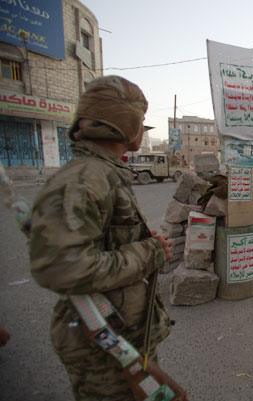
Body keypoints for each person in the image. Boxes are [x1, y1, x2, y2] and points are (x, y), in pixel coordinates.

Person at [29, 76, 178, 401]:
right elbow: (62, 268)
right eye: (139, 120)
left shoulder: (103, 174)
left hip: (121, 339)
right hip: (103, 349)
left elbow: (100, 244)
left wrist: (138, 241)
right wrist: (149, 251)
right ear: (125, 124)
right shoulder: (85, 179)